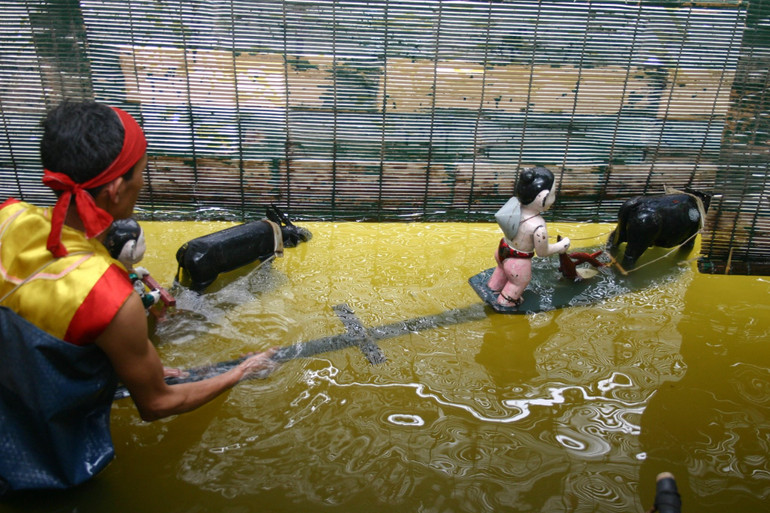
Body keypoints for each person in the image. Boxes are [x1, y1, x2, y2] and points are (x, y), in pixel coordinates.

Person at [0, 100, 277, 493]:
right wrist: (240, 372)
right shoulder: (109, 296)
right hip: (33, 458)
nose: (142, 183)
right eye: (141, 173)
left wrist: (131, 365)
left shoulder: (9, 215)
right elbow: (157, 405)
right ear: (115, 189)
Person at [487, 166, 571, 306]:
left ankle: (493, 288)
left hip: (502, 250)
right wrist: (561, 246)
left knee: (501, 272)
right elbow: (542, 252)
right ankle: (506, 302)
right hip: (518, 263)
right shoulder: (538, 226)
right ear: (543, 197)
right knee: (517, 284)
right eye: (553, 194)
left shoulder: (514, 205)